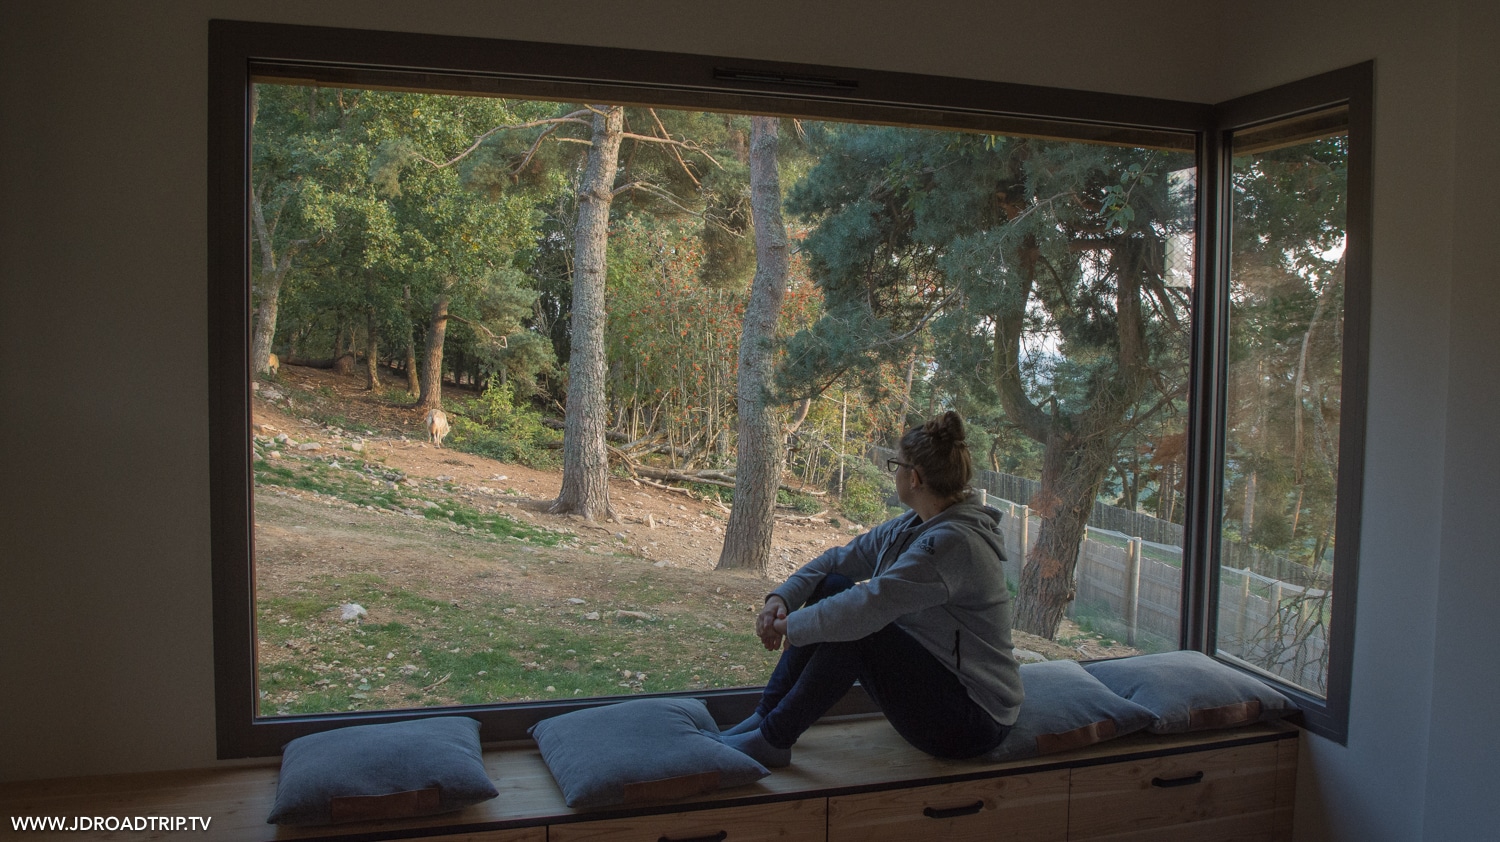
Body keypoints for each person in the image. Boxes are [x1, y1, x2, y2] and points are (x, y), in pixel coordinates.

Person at [721, 411, 1023, 767]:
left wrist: (790, 627)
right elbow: (836, 562)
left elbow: (869, 605)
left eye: (896, 465)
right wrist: (781, 597)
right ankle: (764, 718)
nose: (893, 472)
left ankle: (773, 739)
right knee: (834, 586)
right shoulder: (913, 525)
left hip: (972, 719)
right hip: (937, 683)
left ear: (914, 477)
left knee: (863, 630)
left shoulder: (953, 544)